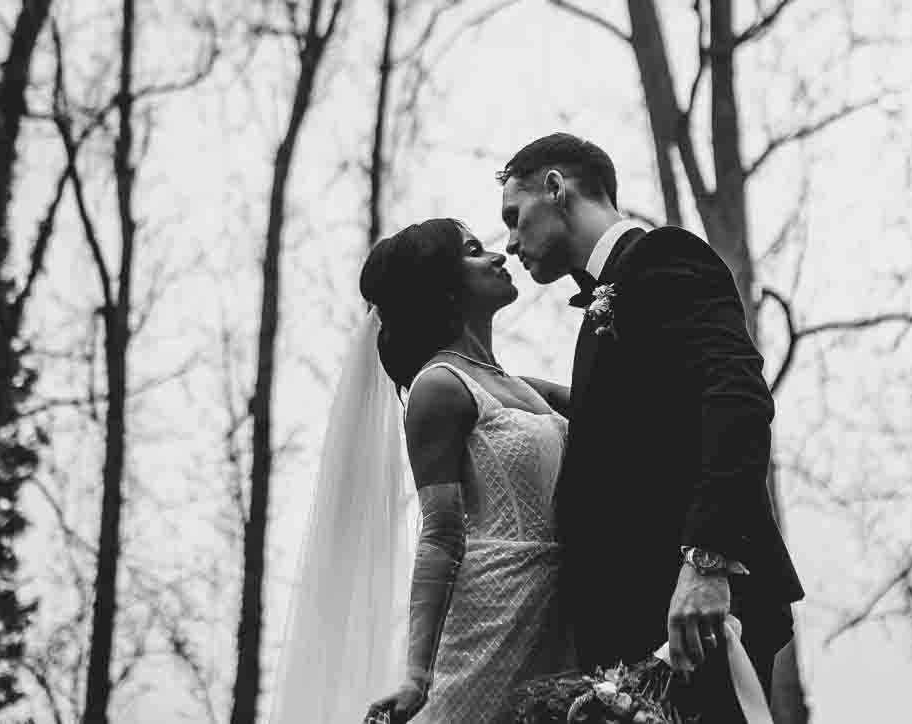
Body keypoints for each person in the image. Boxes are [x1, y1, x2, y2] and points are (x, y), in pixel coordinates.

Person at [499, 133, 803, 721]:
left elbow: (735, 398)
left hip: (697, 618)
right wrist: (519, 395)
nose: (511, 243)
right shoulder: (606, 297)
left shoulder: (665, 258)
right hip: (635, 626)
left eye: (515, 216)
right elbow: (637, 424)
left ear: (556, 189)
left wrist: (707, 564)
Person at [268, 216, 572, 724]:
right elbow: (441, 534)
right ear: (444, 287)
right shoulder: (440, 386)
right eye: (474, 251)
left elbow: (612, 401)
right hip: (492, 612)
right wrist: (417, 673)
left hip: (560, 607)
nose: (497, 256)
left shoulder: (527, 388)